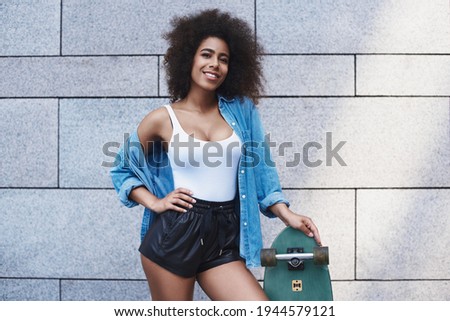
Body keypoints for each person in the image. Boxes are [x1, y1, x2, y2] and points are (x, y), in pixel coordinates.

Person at [110, 9, 321, 301]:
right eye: (206, 55)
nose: (215, 64)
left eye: (223, 59)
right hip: (175, 234)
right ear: (189, 59)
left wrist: (286, 214)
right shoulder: (162, 119)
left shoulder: (241, 110)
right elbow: (122, 168)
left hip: (223, 236)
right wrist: (156, 202)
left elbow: (262, 169)